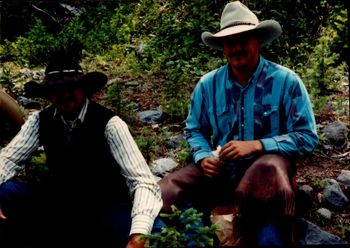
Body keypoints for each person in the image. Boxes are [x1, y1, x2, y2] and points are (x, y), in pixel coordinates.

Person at [159, 1, 318, 246]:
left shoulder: (287, 81)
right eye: (229, 41)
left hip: (268, 184)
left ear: (258, 40)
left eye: (243, 39)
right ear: (223, 47)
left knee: (269, 239)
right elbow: (194, 129)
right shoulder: (208, 85)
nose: (236, 47)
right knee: (168, 192)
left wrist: (258, 145)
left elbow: (307, 137)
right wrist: (203, 156)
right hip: (222, 176)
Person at [0, 52, 162, 248]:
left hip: (104, 209)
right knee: (7, 192)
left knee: (154, 233)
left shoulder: (110, 124)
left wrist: (138, 236)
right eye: (56, 90)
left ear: (84, 89)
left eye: (71, 88)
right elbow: (8, 159)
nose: (63, 95)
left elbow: (142, 181)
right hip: (59, 204)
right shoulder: (40, 120)